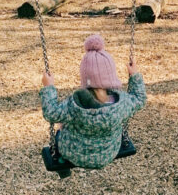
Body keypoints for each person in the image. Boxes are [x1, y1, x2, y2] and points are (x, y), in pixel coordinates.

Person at [39, 34, 147, 169]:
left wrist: (48, 87)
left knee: (60, 131)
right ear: (111, 75)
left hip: (74, 154)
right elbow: (140, 98)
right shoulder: (122, 103)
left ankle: (63, 167)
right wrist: (134, 75)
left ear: (85, 77)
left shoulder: (74, 105)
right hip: (108, 153)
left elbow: (51, 113)